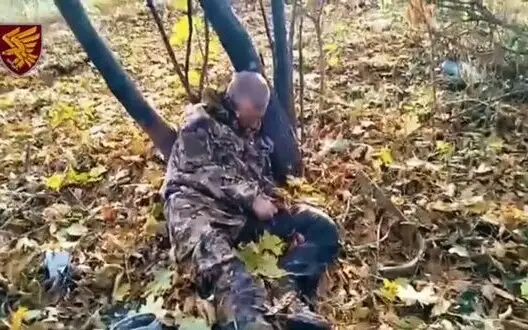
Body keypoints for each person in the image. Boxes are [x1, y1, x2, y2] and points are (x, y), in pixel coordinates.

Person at [161, 71, 339, 330]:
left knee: (320, 228)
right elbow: (199, 171)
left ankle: (285, 291)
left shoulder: (249, 131)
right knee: (235, 283)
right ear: (238, 103)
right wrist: (252, 196)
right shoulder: (198, 123)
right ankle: (254, 319)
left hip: (242, 218)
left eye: (260, 117)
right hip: (197, 213)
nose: (257, 125)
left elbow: (259, 179)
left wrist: (280, 212)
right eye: (254, 116)